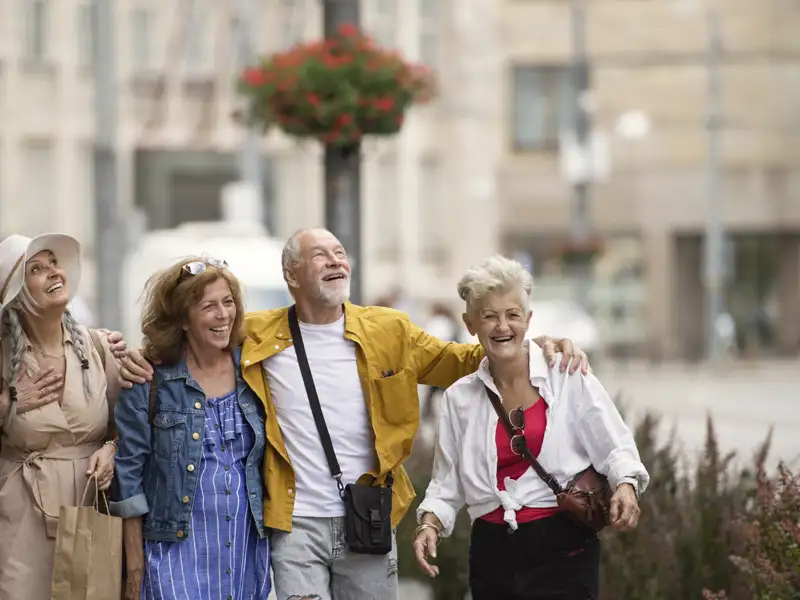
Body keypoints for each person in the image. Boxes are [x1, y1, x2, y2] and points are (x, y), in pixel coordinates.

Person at [118, 228, 590, 600]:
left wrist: (538, 347)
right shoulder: (256, 334)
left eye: (340, 252)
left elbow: (463, 361)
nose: (336, 260)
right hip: (294, 523)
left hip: (367, 519)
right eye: (320, 255)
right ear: (292, 274)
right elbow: (191, 346)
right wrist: (123, 359)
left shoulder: (389, 329)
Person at [413, 255, 649, 600]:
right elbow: (446, 486)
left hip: (563, 544)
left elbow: (614, 444)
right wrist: (429, 524)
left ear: (529, 319)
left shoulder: (565, 374)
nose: (502, 326)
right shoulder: (458, 399)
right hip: (492, 553)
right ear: (469, 323)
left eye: (512, 315)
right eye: (489, 316)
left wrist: (626, 485)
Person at [110, 257, 270, 600]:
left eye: (228, 302)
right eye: (208, 306)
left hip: (242, 547)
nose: (223, 315)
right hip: (172, 552)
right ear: (183, 319)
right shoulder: (149, 379)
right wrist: (134, 561)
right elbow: (128, 470)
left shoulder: (254, 369)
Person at [0, 233, 122, 600]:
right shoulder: (3, 356)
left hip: (89, 509)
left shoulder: (98, 346)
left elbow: (128, 425)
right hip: (20, 515)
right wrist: (8, 402)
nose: (53, 271)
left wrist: (112, 449)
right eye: (36, 269)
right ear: (18, 293)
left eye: (53, 262)